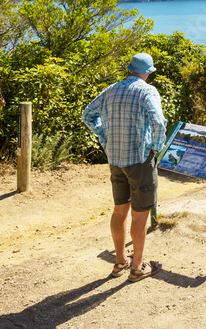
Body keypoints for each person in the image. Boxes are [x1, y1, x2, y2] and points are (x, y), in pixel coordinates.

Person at [82, 52, 167, 282]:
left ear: (130, 69)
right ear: (148, 72)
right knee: (140, 216)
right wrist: (156, 147)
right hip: (139, 161)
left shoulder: (111, 89)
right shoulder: (147, 90)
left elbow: (87, 115)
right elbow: (158, 122)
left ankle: (120, 261)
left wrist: (105, 136)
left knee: (120, 210)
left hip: (115, 160)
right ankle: (137, 268)